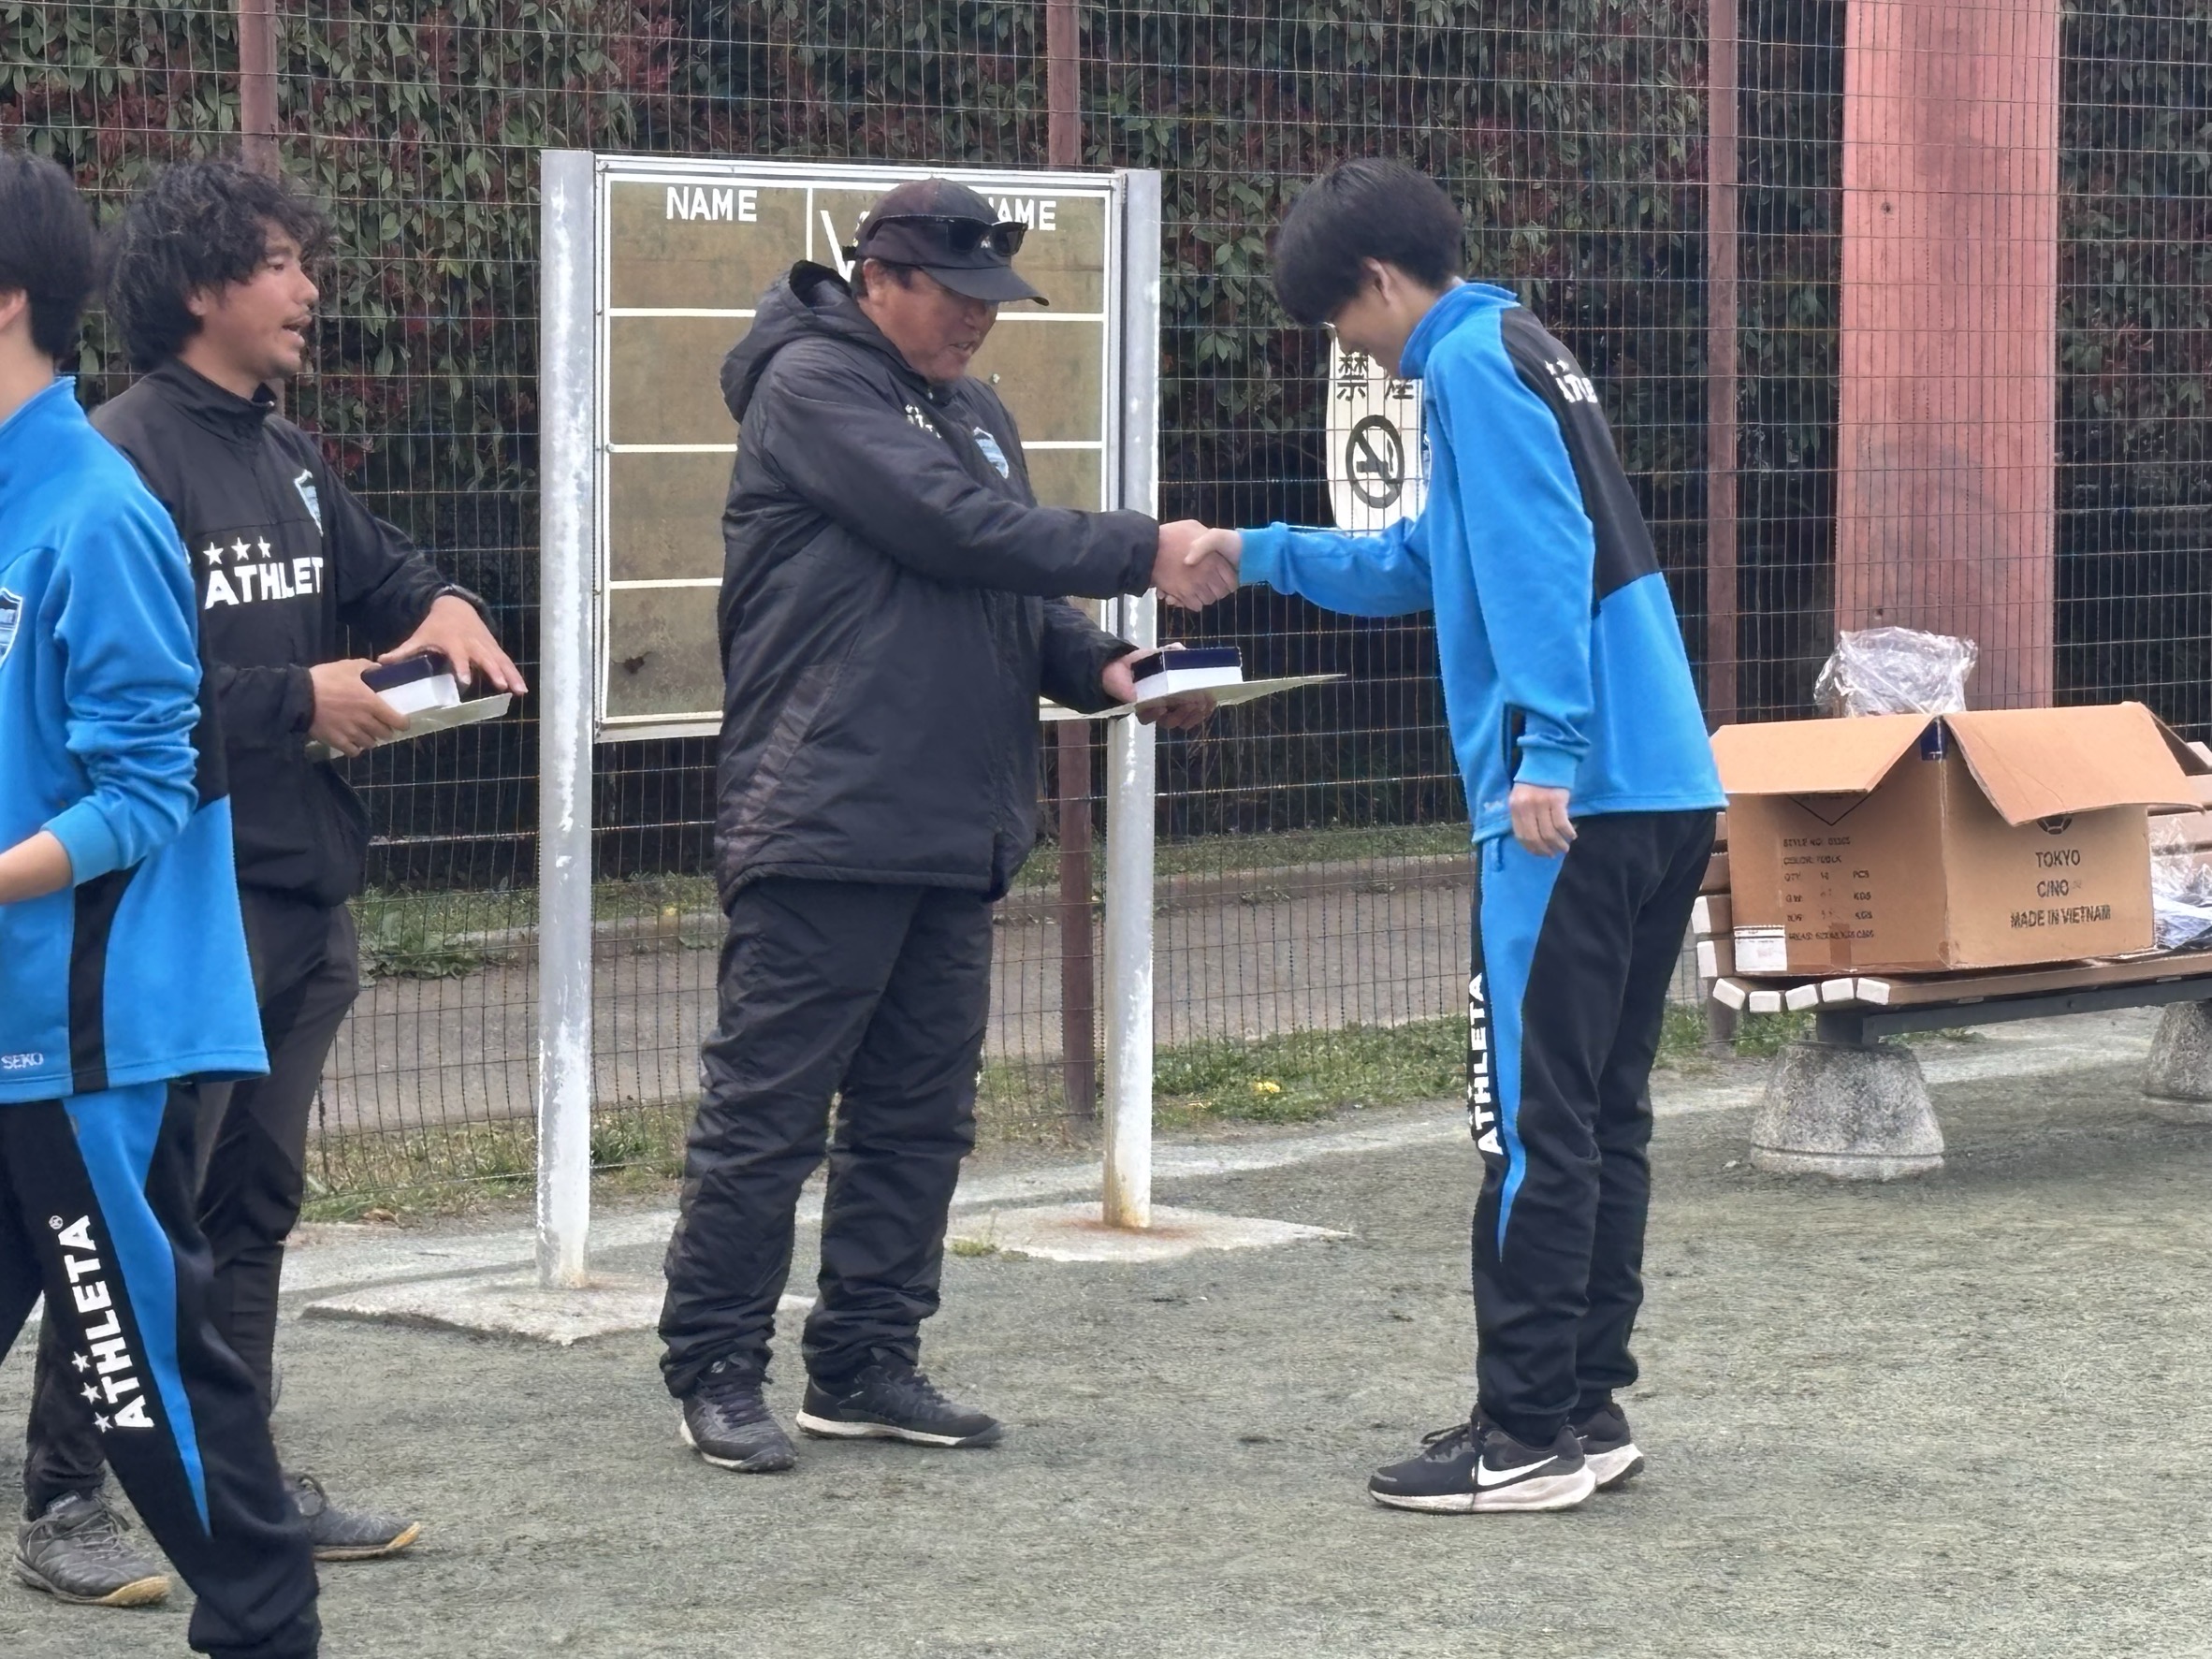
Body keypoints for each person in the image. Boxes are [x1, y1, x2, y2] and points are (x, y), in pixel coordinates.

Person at [662, 178, 1229, 1471]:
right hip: (823, 813)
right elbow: (957, 527)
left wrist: (1111, 668)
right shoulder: (814, 386)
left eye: (993, 300)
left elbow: (1006, 588)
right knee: (767, 1113)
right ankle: (716, 1368)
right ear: (881, 279)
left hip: (954, 821)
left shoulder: (974, 411)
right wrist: (1143, 546)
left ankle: (866, 1360)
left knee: (919, 1118)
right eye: (958, 295)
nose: (980, 320)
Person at [1186, 160, 1724, 1513]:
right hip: (1663, 780)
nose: (1349, 348)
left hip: (1569, 803)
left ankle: (1521, 1431)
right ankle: (1584, 1407)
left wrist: (1547, 746)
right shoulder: (1523, 342)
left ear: (1376, 281)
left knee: (1530, 1120)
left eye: (1338, 321)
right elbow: (1432, 560)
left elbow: (1541, 552)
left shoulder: (1467, 365)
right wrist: (1252, 549)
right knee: (1601, 1111)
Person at [19, 156, 525, 1593]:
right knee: (136, 1218)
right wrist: (305, 698)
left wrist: (445, 603)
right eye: (282, 262)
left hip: (307, 890)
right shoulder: (117, 463)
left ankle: (237, 1478)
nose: (310, 288)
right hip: (178, 909)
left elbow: (387, 576)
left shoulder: (288, 451)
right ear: (200, 285)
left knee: (252, 1204)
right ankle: (67, 1499)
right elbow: (128, 719)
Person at [0, 147, 323, 1655]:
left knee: (150, 1381)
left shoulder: (98, 512)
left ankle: (264, 1622)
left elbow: (147, 787)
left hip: (85, 1035)